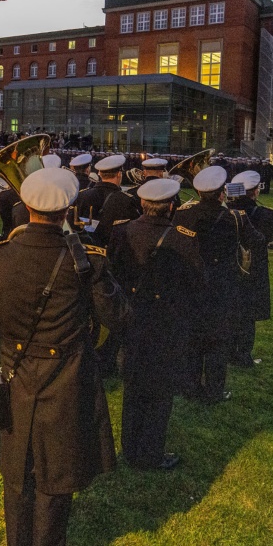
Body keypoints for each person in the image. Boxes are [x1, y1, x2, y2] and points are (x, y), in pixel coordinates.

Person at [0, 167, 126, 546]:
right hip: (66, 378)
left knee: (18, 476)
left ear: (25, 206)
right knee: (55, 480)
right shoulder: (85, 261)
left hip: (16, 374)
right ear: (68, 210)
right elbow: (117, 317)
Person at [108, 178, 203, 470]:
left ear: (142, 204)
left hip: (131, 319)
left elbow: (112, 274)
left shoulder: (121, 232)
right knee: (160, 391)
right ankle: (150, 453)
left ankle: (130, 448)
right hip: (166, 323)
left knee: (133, 383)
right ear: (171, 207)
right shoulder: (183, 238)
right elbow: (196, 284)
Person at [173, 165, 262, 403]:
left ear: (200, 192)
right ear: (222, 192)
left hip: (191, 284)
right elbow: (257, 241)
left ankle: (190, 386)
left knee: (192, 335)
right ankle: (214, 389)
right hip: (223, 286)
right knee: (218, 339)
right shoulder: (234, 218)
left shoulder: (183, 214)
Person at [227, 170, 273, 366]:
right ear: (255, 191)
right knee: (248, 314)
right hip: (254, 269)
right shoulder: (265, 213)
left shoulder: (227, 210)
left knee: (232, 309)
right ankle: (243, 355)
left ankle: (229, 351)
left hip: (230, 267)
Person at [73, 154, 139, 247]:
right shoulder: (126, 200)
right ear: (119, 174)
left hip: (88, 250)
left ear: (100, 174)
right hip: (112, 252)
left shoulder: (82, 195)